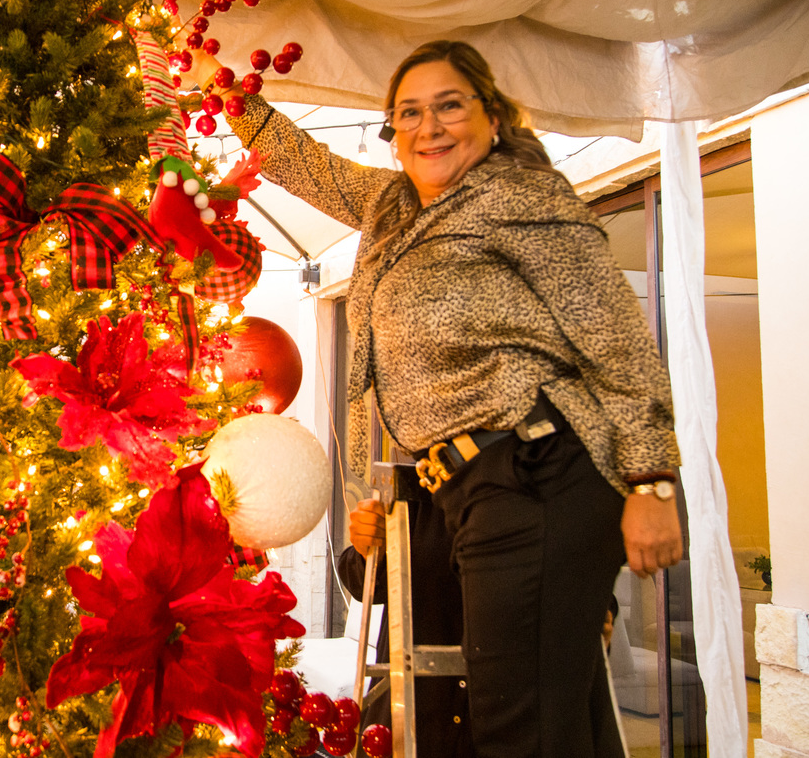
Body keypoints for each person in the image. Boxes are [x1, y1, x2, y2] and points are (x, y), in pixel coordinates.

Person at [178, 38, 683, 758]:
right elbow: (300, 160)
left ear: (493, 114)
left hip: (542, 470)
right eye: (408, 113)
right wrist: (221, 91)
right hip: (461, 487)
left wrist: (653, 478)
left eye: (450, 106)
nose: (429, 127)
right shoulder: (392, 204)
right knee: (498, 719)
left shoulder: (522, 196)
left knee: (522, 730)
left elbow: (614, 333)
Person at [338, 485, 474, 757]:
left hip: (493, 720)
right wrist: (367, 548)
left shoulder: (533, 496)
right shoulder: (417, 491)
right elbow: (362, 583)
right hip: (411, 716)